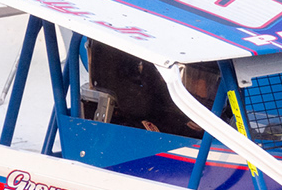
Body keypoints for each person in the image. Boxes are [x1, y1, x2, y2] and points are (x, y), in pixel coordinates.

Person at [84, 45, 223, 138]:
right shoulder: (142, 129)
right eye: (194, 80)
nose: (204, 92)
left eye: (211, 82)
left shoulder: (225, 122)